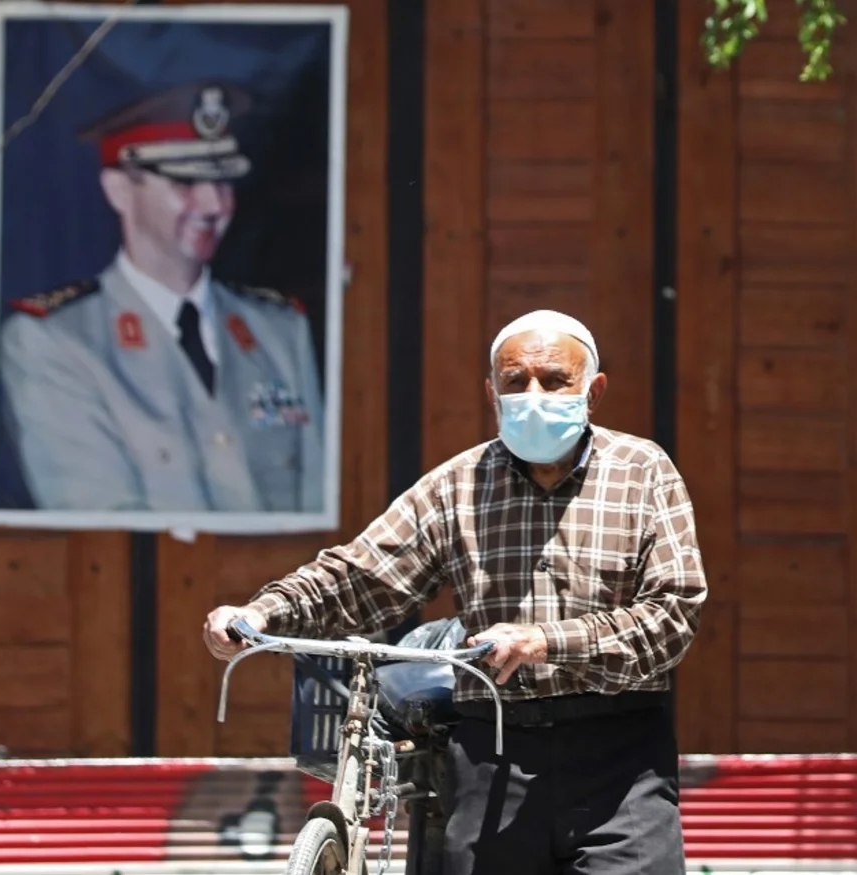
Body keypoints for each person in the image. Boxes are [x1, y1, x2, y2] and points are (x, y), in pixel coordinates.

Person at [203, 309, 706, 874]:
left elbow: (674, 615)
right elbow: (363, 576)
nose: (533, 396)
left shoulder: (643, 471)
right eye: (515, 382)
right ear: (492, 393)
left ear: (593, 392)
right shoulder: (460, 484)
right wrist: (263, 612)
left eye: (554, 381)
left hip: (621, 759)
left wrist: (546, 641)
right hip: (495, 749)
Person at [0, 81, 325, 514]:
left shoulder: (279, 331)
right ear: (119, 189)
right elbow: (96, 519)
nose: (213, 204)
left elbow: (319, 506)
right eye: (185, 182)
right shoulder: (54, 341)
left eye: (223, 182)